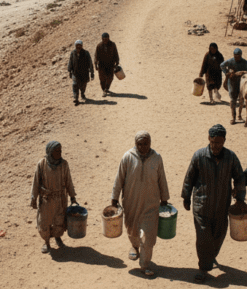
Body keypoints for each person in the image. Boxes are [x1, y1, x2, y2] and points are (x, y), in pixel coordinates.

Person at [181, 124, 246, 282]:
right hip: (201, 206)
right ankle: (203, 269)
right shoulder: (199, 156)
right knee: (204, 239)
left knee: (218, 235)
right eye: (213, 142)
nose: (216, 146)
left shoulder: (231, 157)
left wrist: (240, 198)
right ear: (208, 139)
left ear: (224, 140)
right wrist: (186, 196)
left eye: (219, 142)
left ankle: (210, 258)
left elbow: (239, 178)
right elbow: (189, 177)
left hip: (221, 207)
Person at [111, 131, 170, 278]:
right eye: (140, 144)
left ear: (150, 143)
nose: (143, 147)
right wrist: (114, 198)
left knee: (148, 235)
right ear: (135, 144)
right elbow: (119, 179)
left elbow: (162, 178)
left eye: (146, 143)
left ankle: (145, 264)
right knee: (132, 228)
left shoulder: (156, 158)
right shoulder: (128, 157)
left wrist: (164, 198)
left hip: (151, 204)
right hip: (131, 202)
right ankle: (135, 246)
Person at [30, 141, 78, 253]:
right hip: (46, 200)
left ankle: (57, 237)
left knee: (59, 220)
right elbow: (36, 182)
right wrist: (33, 198)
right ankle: (46, 242)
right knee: (44, 222)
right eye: (56, 151)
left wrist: (72, 197)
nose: (59, 153)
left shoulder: (64, 164)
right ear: (50, 152)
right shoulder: (41, 164)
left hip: (60, 199)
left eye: (60, 150)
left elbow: (68, 181)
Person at [220, 48, 247, 125]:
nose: (236, 57)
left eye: (238, 56)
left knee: (242, 100)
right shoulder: (230, 61)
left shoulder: (245, 62)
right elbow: (222, 65)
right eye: (235, 56)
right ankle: (233, 117)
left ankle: (239, 115)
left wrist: (242, 72)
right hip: (232, 82)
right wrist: (227, 72)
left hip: (242, 83)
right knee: (232, 100)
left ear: (240, 55)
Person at [67, 39, 94, 104]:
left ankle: (82, 93)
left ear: (82, 46)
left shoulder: (86, 53)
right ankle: (75, 97)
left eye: (80, 45)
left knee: (83, 85)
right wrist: (69, 70)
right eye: (77, 45)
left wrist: (92, 72)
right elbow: (70, 62)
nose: (78, 47)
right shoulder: (73, 53)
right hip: (75, 73)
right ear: (75, 46)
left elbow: (90, 62)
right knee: (75, 85)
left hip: (84, 73)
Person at [95, 32, 120, 96]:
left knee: (110, 77)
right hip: (102, 65)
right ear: (102, 39)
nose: (105, 40)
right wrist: (95, 64)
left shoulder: (112, 44)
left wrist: (117, 62)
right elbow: (96, 55)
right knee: (102, 78)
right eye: (103, 39)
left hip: (110, 64)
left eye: (106, 39)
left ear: (109, 38)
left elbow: (116, 53)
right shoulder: (99, 45)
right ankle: (104, 89)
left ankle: (107, 88)